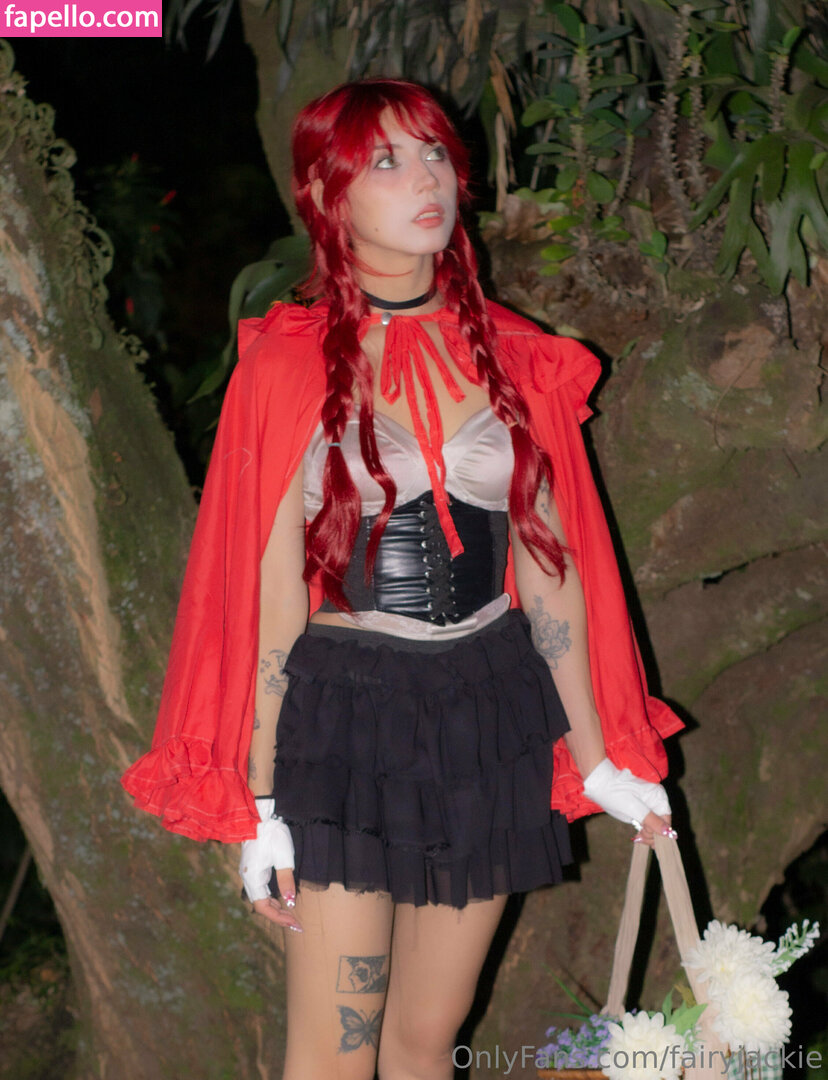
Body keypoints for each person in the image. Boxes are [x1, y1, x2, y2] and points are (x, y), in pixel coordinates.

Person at [122, 77, 684, 1080]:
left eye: (434, 155)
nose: (425, 179)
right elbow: (272, 599)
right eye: (385, 162)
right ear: (326, 195)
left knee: (426, 1042)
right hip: (346, 723)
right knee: (333, 1057)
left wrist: (598, 756)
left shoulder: (516, 355)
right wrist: (262, 803)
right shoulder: (286, 366)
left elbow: (550, 573)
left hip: (491, 711)